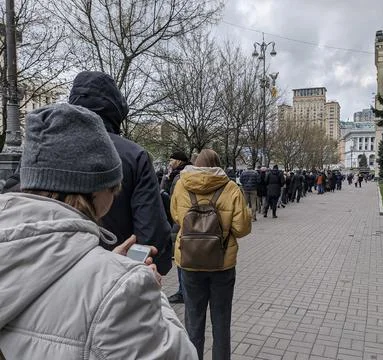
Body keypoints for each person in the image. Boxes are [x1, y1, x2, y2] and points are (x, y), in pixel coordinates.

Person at [0, 103, 197, 359]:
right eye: (114, 187)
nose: (116, 194)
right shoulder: (122, 290)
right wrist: (146, 289)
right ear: (96, 189)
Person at [69, 71, 172, 276]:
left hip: (52, 284)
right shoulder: (132, 155)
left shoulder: (42, 153)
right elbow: (151, 234)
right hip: (115, 279)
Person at [171, 149, 251, 360]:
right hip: (222, 264)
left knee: (193, 322)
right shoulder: (231, 187)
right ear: (218, 164)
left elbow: (176, 217)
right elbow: (242, 228)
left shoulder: (181, 184)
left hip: (189, 261)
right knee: (221, 323)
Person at [163, 151, 191, 304]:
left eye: (172, 159)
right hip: (188, 220)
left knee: (180, 256)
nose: (170, 161)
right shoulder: (184, 172)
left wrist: (166, 179)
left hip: (179, 220)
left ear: (179, 161)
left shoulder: (179, 176)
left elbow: (169, 198)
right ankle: (187, 290)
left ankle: (183, 292)